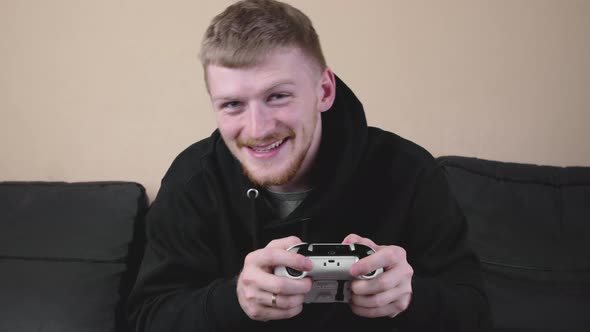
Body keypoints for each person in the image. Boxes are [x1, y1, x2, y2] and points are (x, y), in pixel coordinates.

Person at [126, 0, 491, 331]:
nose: (257, 129)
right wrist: (233, 301)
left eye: (278, 96)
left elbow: (476, 312)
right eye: (233, 105)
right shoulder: (193, 180)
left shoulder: (408, 171)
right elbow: (145, 318)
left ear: (324, 91)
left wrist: (411, 298)